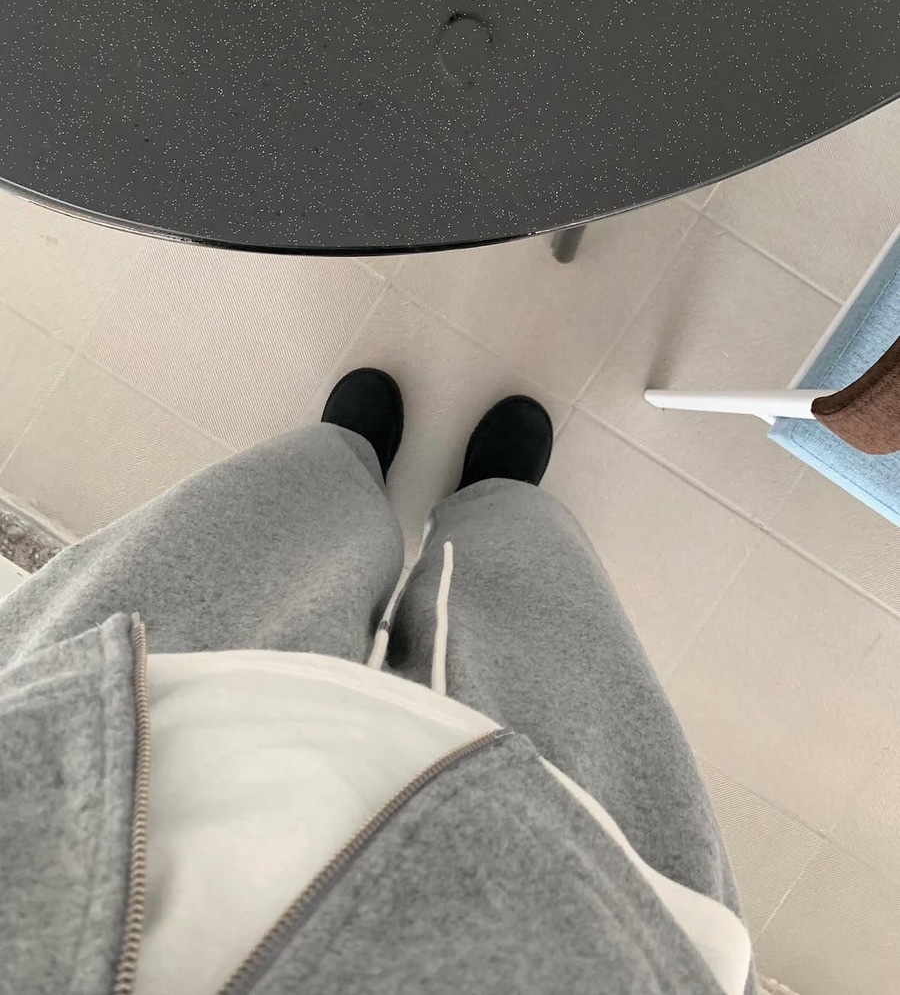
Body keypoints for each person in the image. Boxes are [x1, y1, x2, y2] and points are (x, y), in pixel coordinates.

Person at [0, 368, 755, 995]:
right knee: (542, 630)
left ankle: (342, 462)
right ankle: (499, 503)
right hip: (579, 906)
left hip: (98, 771)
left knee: (250, 542)